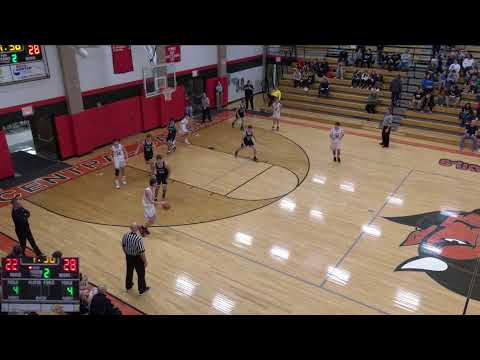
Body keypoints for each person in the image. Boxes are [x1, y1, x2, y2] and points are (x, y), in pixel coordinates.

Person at [122, 223, 150, 296]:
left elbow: (123, 245)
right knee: (141, 274)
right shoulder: (138, 239)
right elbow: (141, 252)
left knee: (129, 271)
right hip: (137, 258)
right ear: (136, 229)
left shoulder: (125, 235)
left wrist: (127, 253)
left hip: (129, 256)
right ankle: (142, 290)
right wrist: (145, 261)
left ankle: (128, 286)